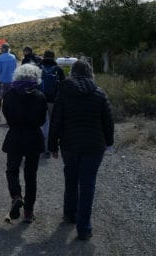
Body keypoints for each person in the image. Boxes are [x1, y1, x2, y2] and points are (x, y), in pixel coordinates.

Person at [48, 60, 114, 240]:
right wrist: (109, 142)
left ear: (73, 73)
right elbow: (108, 122)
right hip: (94, 146)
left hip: (69, 145)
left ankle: (70, 214)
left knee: (71, 178)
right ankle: (84, 228)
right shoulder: (100, 94)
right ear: (90, 73)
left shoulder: (64, 93)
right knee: (88, 184)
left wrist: (52, 145)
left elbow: (55, 122)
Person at [1, 64, 47, 224]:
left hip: (15, 136)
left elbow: (6, 114)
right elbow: (42, 120)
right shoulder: (40, 96)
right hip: (33, 137)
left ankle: (16, 196)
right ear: (36, 77)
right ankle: (28, 212)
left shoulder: (9, 94)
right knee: (31, 175)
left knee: (12, 170)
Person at [38, 50, 66, 158]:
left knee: (43, 124)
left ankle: (43, 147)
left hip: (40, 99)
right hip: (54, 100)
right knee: (53, 125)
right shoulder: (58, 69)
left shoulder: (38, 68)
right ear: (54, 57)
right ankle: (50, 147)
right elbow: (63, 86)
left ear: (44, 56)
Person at [0, 43, 17, 123]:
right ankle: (9, 116)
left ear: (3, 49)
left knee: (0, 98)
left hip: (2, 81)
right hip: (11, 81)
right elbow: (15, 68)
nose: (0, 49)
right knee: (10, 99)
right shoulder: (13, 57)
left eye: (1, 48)